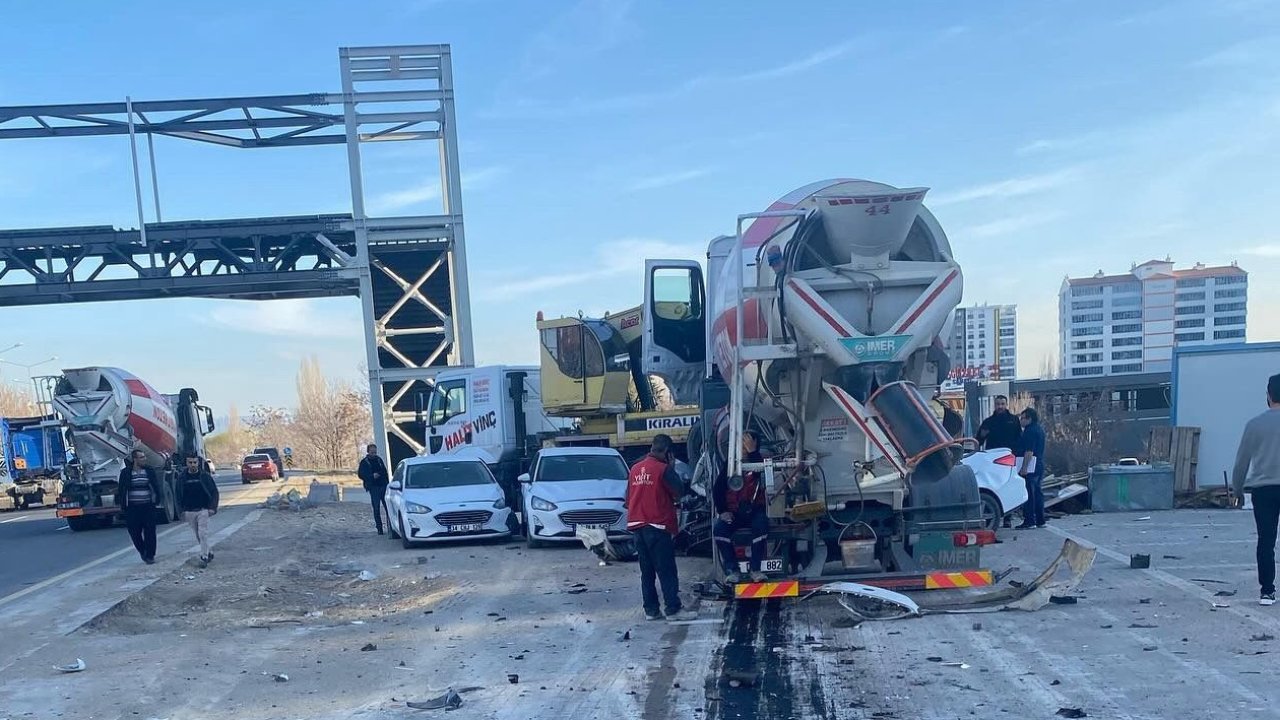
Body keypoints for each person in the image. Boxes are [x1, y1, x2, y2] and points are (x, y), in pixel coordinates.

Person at [625, 433, 695, 621]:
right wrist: (671, 469)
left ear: (652, 447)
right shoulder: (663, 469)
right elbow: (679, 492)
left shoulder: (635, 469)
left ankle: (651, 610)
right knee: (666, 570)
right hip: (657, 526)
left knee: (646, 572)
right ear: (667, 452)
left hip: (637, 527)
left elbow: (628, 499)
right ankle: (673, 609)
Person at [1230, 373, 1280, 606]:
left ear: (1268, 395)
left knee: (1266, 540)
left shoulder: (1254, 424)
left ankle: (1267, 591)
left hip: (1263, 490)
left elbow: (1242, 462)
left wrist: (1237, 490)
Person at [713, 431, 770, 584]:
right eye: (741, 445)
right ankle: (732, 570)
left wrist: (752, 452)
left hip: (754, 511)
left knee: (762, 525)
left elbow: (759, 473)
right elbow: (718, 489)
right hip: (734, 512)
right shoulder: (730, 465)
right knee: (719, 530)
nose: (743, 448)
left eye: (746, 445)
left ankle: (755, 569)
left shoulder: (759, 462)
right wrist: (723, 511)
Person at [118, 449, 162, 564]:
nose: (144, 459)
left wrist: (157, 500)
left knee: (150, 532)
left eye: (144, 457)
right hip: (132, 509)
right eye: (141, 457)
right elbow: (121, 490)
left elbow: (156, 486)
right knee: (135, 533)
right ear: (135, 459)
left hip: (148, 507)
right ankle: (142, 551)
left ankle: (150, 555)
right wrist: (123, 506)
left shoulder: (149, 471)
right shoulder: (126, 473)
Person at [179, 454, 220, 567]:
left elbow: (214, 492)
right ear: (186, 463)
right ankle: (209, 551)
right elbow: (178, 495)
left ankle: (204, 556)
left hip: (203, 509)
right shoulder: (182, 478)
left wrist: (212, 508)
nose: (192, 465)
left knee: (203, 533)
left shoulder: (204, 476)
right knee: (198, 534)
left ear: (198, 463)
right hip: (189, 511)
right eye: (190, 462)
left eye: (194, 462)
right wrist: (181, 511)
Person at [1015, 408, 1046, 529]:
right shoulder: (1039, 429)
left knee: (1029, 493)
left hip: (1031, 466)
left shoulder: (1030, 431)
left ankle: (1030, 520)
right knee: (1038, 493)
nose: (1021, 421)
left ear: (1029, 419)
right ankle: (1040, 520)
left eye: (1022, 418)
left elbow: (1029, 451)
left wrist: (1024, 468)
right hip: (1039, 464)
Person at [358, 443, 390, 535]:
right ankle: (379, 528)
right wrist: (371, 476)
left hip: (383, 486)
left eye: (375, 452)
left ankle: (390, 526)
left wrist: (386, 483)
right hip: (373, 487)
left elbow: (384, 471)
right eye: (372, 452)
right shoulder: (364, 462)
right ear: (368, 452)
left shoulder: (379, 460)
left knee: (388, 507)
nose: (374, 454)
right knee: (376, 508)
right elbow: (361, 474)